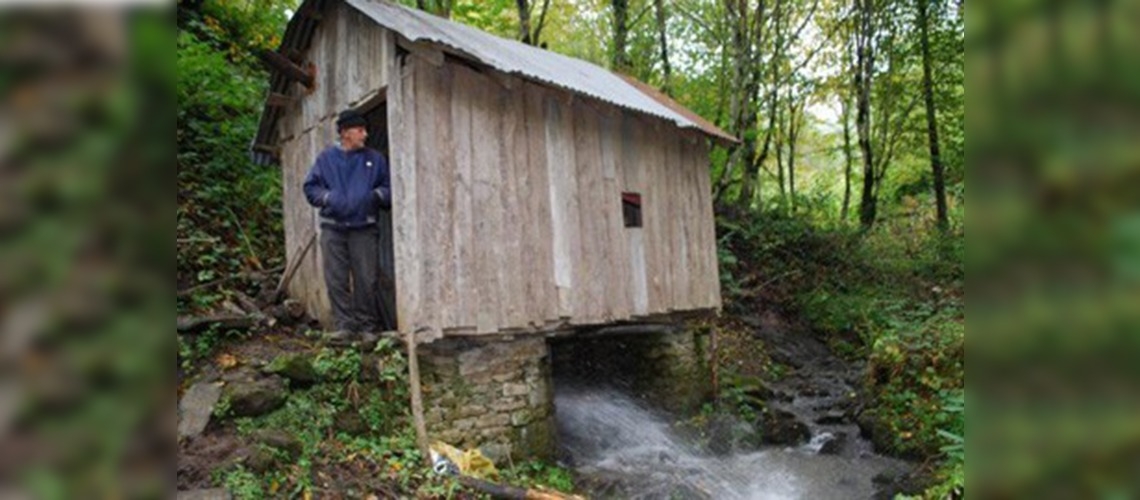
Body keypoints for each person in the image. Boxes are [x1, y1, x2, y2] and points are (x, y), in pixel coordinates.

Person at [302, 109, 390, 343]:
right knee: (336, 279)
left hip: (364, 228)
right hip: (334, 228)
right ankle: (344, 326)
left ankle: (367, 327)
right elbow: (311, 188)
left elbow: (390, 188)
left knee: (366, 279)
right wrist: (328, 198)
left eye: (365, 130)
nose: (365, 134)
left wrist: (375, 196)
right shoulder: (326, 159)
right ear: (345, 133)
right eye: (360, 130)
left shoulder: (375, 159)